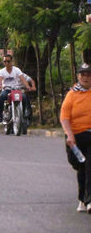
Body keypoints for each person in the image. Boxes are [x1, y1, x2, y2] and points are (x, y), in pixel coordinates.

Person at [60, 63, 91, 213]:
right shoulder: (72, 94)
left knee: (89, 166)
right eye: (83, 74)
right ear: (78, 76)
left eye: (88, 75)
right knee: (79, 166)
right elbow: (64, 117)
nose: (86, 77)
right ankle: (82, 199)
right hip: (75, 136)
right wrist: (70, 135)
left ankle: (88, 200)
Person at [0, 54, 31, 123]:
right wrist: (0, 86)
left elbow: (23, 79)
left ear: (11, 61)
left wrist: (27, 86)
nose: (6, 63)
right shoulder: (1, 71)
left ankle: (23, 114)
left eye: (8, 61)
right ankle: (0, 116)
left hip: (16, 90)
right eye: (5, 61)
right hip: (7, 90)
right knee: (2, 96)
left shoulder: (17, 70)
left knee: (24, 97)